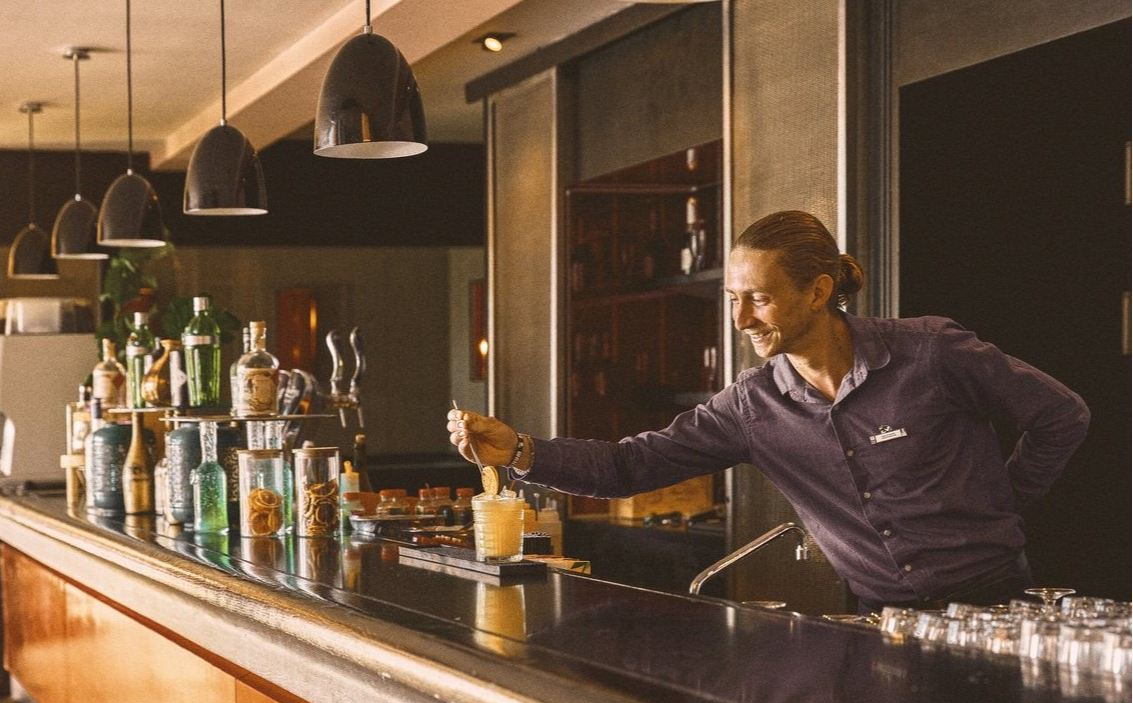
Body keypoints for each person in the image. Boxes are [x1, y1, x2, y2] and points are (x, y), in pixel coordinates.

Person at [447, 210, 1089, 613]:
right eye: (731, 298)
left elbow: (1062, 414)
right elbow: (628, 466)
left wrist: (1004, 498)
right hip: (878, 619)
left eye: (757, 299)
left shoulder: (930, 353)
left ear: (818, 291)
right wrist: (522, 451)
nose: (739, 320)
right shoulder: (752, 405)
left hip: (999, 606)